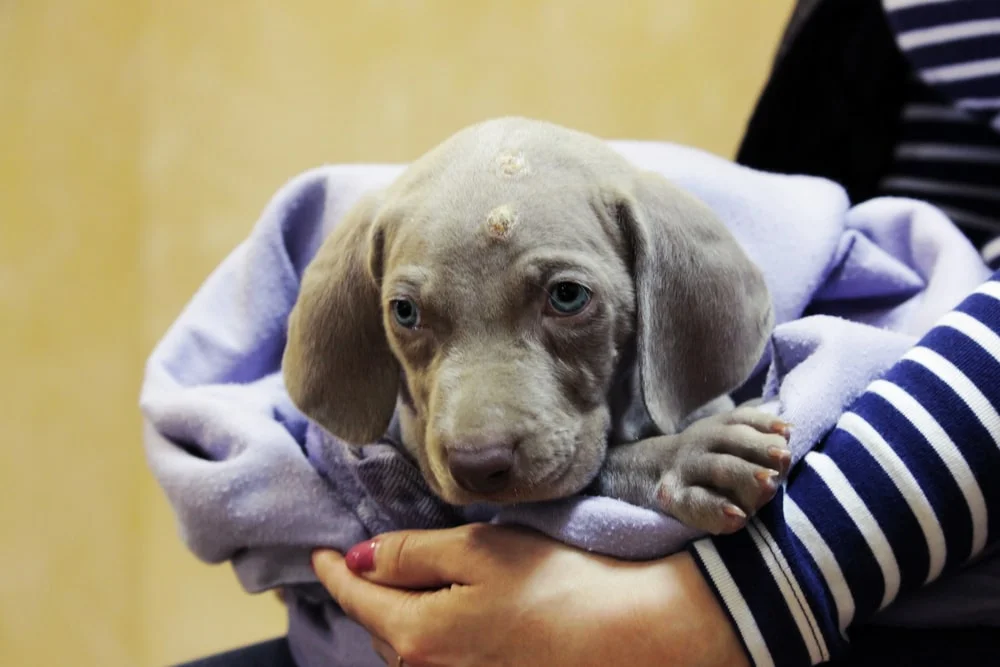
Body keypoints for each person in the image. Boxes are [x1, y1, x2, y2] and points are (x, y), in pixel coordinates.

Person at [158, 1, 1000, 665]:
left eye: (565, 298)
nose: (475, 441)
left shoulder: (689, 257)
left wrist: (738, 601)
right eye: (410, 315)